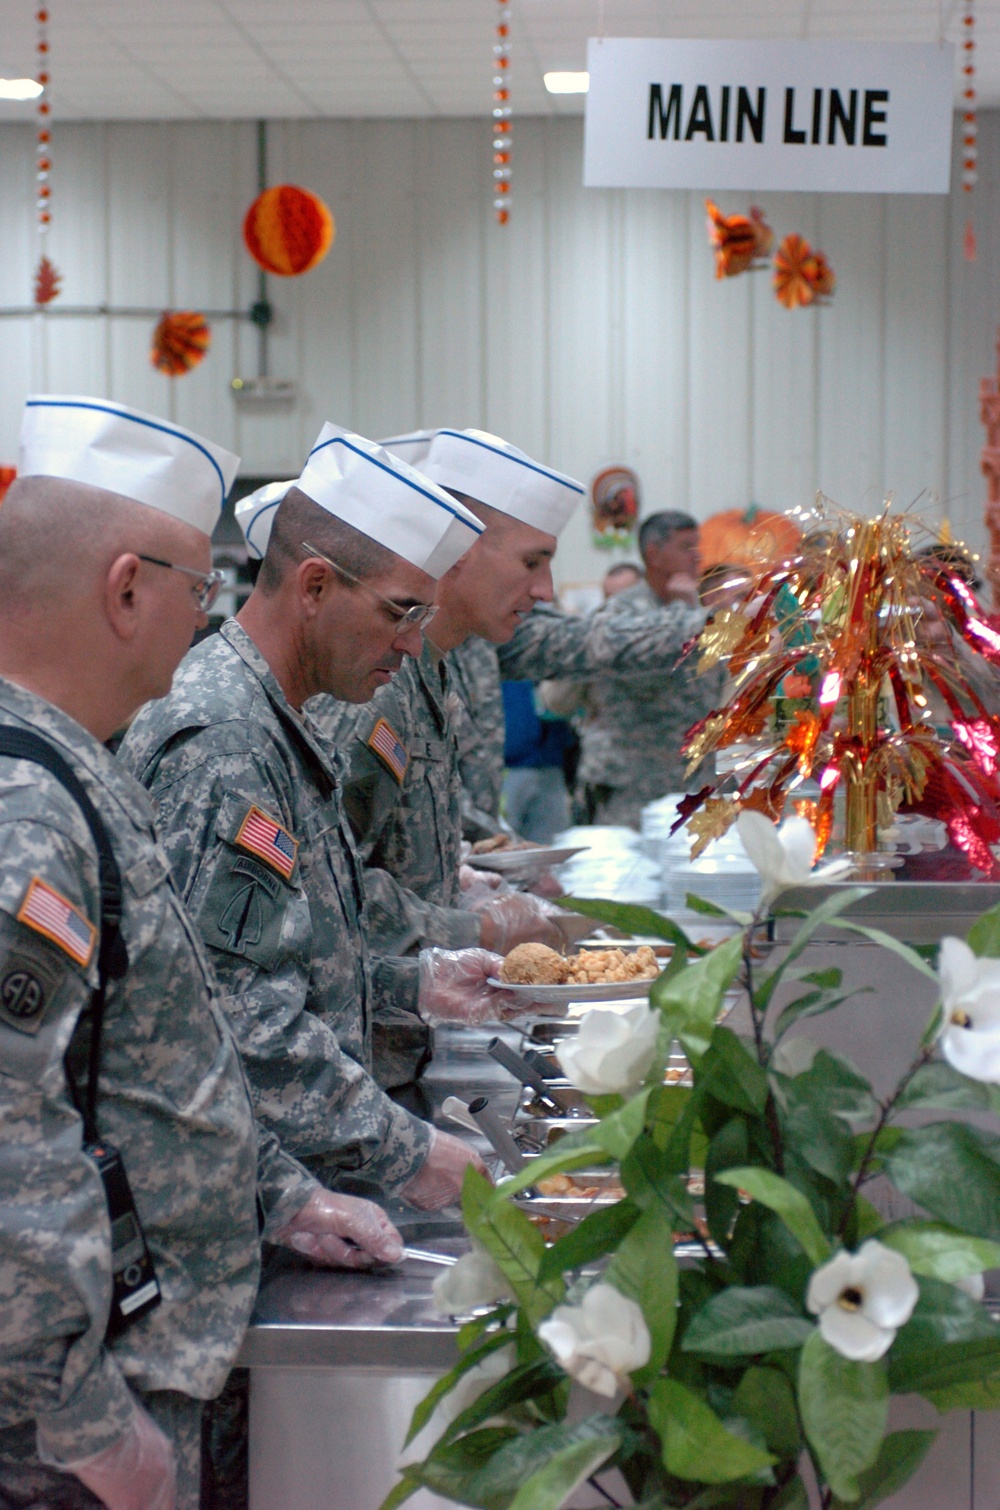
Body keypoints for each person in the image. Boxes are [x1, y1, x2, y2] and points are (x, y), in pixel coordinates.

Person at [0, 398, 404, 1510]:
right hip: (64, 1432)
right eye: (198, 588)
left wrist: (274, 1189)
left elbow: (141, 1067)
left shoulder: (75, 767)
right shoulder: (26, 806)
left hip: (128, 1372)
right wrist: (87, 1427)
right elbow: (11, 1142)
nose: (209, 619)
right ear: (126, 587)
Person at [120, 425, 500, 1208]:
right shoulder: (229, 739)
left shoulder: (274, 718)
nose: (408, 647)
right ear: (315, 587)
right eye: (400, 613)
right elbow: (234, 1015)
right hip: (241, 1195)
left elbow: (288, 960)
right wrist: (404, 1150)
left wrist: (412, 983)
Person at [309, 428, 595, 955]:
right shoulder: (376, 683)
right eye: (532, 562)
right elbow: (320, 887)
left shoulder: (434, 669)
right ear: (459, 547)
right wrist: (478, 931)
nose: (545, 590)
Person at [573, 510, 724, 826]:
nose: (696, 556)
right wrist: (683, 616)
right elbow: (647, 681)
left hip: (690, 779)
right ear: (653, 554)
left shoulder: (697, 610)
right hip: (634, 781)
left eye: (697, 546)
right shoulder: (623, 612)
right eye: (686, 547)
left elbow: (714, 684)